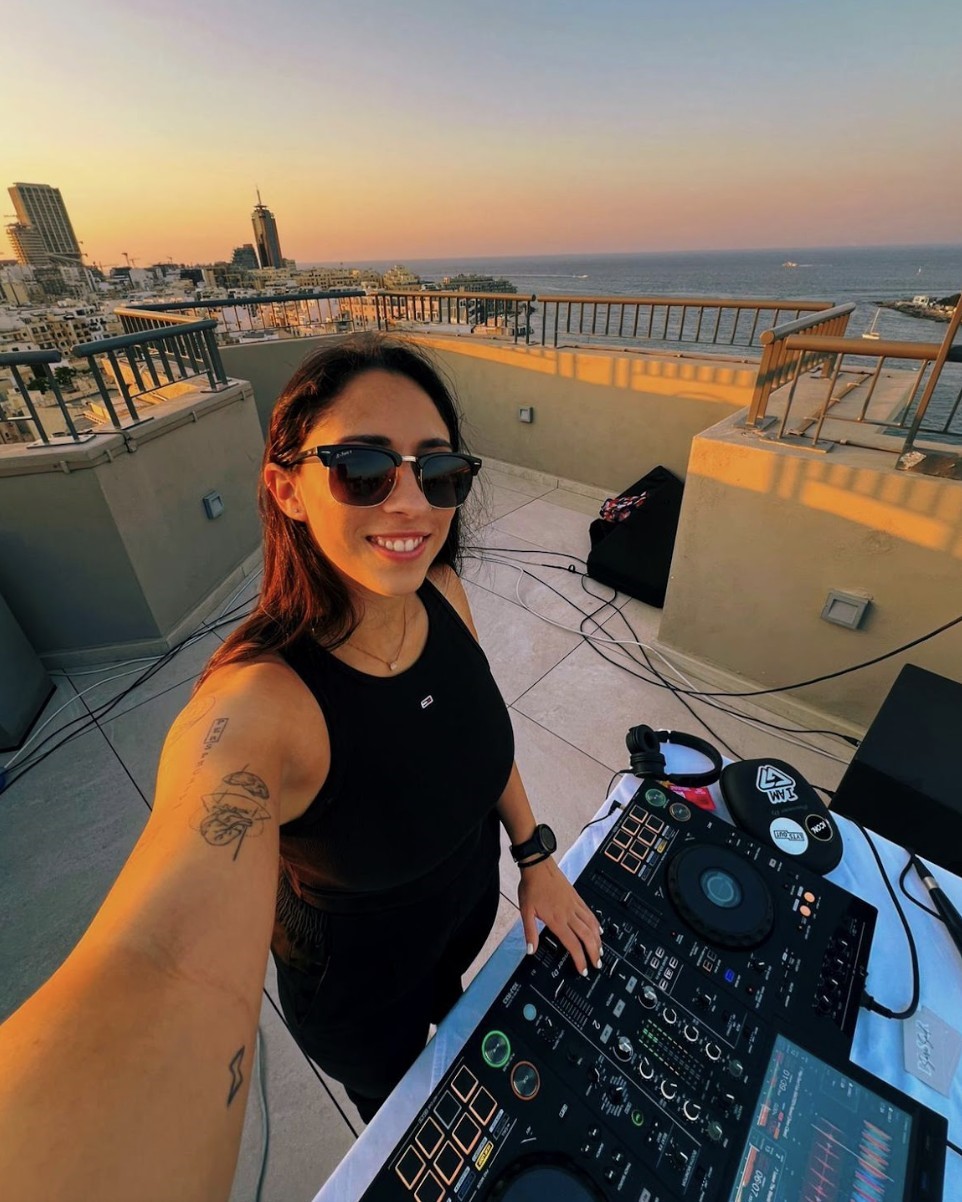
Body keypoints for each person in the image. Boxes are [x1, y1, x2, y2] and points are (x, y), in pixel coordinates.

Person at [0, 333, 602, 1201]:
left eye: (436, 472)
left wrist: (536, 856)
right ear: (286, 487)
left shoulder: (440, 589)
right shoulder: (261, 706)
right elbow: (164, 963)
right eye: (362, 468)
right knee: (414, 1120)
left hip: (459, 919)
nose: (411, 504)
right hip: (363, 993)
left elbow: (486, 735)